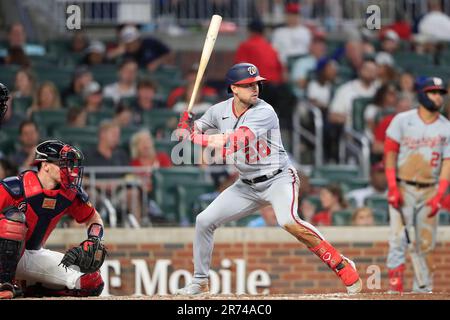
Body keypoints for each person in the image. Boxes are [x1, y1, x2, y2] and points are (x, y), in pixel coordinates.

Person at [174, 62, 362, 295]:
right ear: (234, 88)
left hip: (278, 179)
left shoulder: (264, 111)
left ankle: (339, 262)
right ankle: (200, 281)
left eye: (257, 83)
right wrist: (186, 125)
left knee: (288, 221)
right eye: (248, 85)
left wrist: (195, 138)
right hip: (246, 185)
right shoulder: (218, 110)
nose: (255, 88)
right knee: (204, 221)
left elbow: (234, 140)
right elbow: (198, 128)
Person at [0, 140, 105, 298]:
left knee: (91, 282)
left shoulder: (69, 194)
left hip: (29, 255)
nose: (70, 170)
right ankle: (3, 285)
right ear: (46, 165)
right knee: (14, 220)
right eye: (63, 164)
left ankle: (27, 288)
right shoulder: (14, 188)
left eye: (70, 165)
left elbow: (94, 218)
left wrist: (94, 239)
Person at [384, 76, 450, 293]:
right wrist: (392, 186)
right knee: (398, 240)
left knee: (425, 245)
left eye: (440, 93)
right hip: (403, 187)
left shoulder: (446, 127)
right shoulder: (403, 120)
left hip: (430, 188)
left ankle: (423, 293)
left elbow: (447, 162)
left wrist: (440, 193)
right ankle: (396, 291)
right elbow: (390, 154)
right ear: (422, 93)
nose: (437, 97)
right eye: (433, 92)